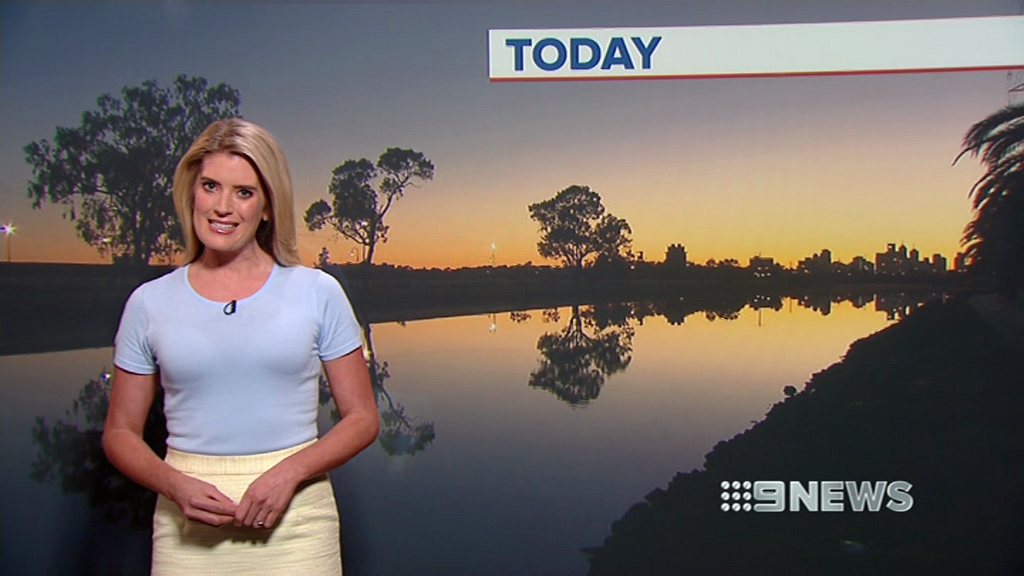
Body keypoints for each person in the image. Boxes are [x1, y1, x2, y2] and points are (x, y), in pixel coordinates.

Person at [102, 118, 379, 575]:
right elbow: (119, 433)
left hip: (296, 525)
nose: (222, 207)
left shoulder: (317, 292)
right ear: (192, 192)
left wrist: (289, 473)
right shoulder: (149, 303)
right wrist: (174, 485)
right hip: (186, 526)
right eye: (210, 186)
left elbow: (363, 418)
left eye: (244, 192)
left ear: (267, 207)